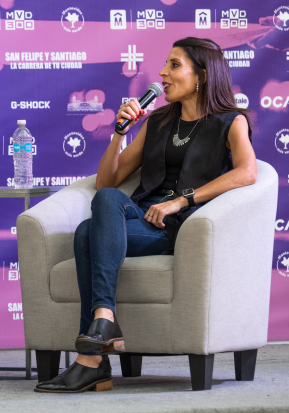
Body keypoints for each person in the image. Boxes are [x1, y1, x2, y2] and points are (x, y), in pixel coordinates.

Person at [35, 37, 256, 393]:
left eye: (173, 65)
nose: (162, 73)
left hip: (180, 228)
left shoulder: (230, 122)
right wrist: (118, 134)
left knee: (86, 234)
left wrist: (181, 200)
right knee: (105, 202)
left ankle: (93, 361)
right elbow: (108, 181)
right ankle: (103, 324)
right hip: (140, 221)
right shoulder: (159, 121)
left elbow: (247, 172)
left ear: (201, 75)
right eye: (165, 65)